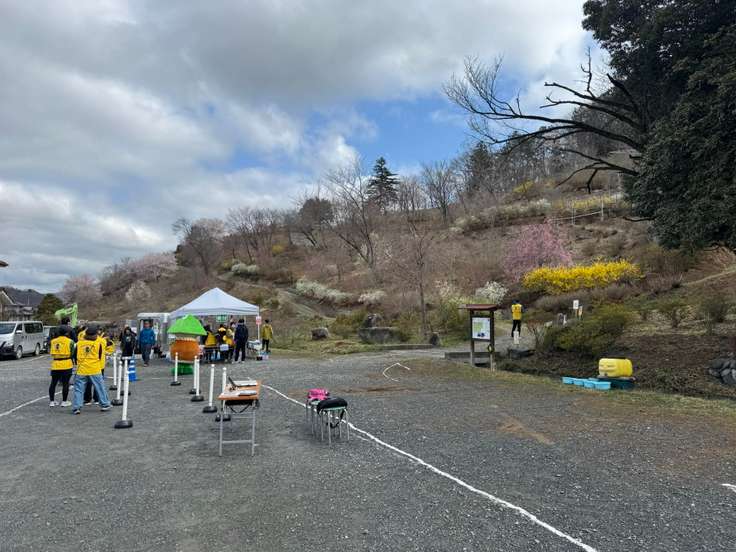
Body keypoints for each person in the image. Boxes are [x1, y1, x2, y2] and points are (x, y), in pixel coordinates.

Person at [71, 325, 111, 414]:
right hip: (94, 369)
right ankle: (104, 404)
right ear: (95, 334)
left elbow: (74, 356)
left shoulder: (79, 343)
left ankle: (76, 407)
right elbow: (100, 356)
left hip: (81, 369)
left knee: (79, 389)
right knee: (100, 387)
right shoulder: (98, 344)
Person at [49, 326, 75, 407]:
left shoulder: (53, 341)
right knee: (65, 383)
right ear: (67, 333)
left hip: (55, 364)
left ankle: (52, 401)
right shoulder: (70, 341)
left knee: (53, 383)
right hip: (66, 363)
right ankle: (64, 401)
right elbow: (72, 352)